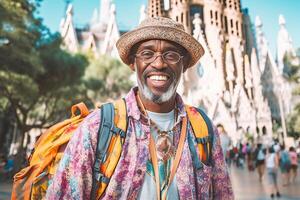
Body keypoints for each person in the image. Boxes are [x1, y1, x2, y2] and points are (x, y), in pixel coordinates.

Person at [45, 17, 233, 199]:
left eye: (171, 54)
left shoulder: (203, 129)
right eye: (147, 53)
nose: (159, 64)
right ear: (133, 64)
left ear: (183, 65)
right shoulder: (97, 127)